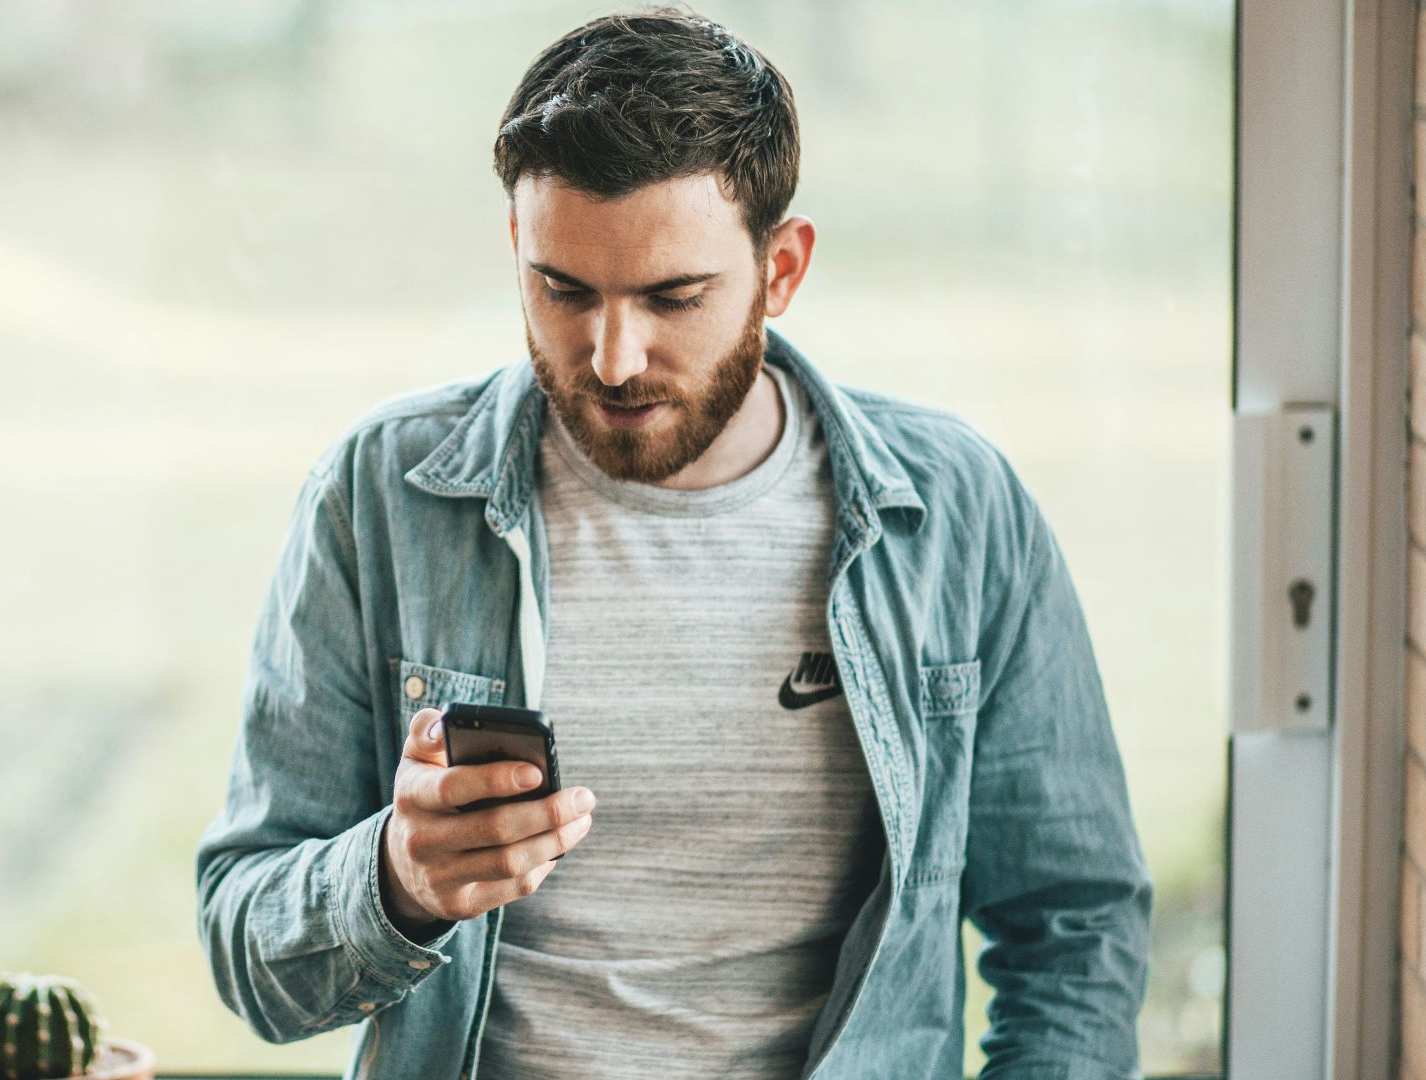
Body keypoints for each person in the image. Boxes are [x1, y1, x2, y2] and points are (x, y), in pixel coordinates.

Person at [195, 8, 1152, 1079]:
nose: (612, 358)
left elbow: (1074, 927)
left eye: (674, 297)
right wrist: (396, 880)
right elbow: (248, 950)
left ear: (781, 268)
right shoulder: (380, 496)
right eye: (563, 290)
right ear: (516, 247)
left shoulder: (958, 512)